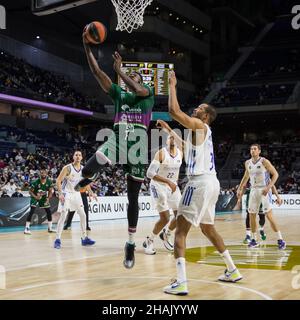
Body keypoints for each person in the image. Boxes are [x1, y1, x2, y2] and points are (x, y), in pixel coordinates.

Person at [74, 30, 154, 269]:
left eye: (136, 78)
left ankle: (130, 243)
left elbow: (140, 89)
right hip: (119, 137)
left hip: (138, 146)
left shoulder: (147, 96)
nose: (133, 80)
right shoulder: (119, 94)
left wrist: (120, 71)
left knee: (133, 198)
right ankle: (92, 175)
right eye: (131, 78)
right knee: (92, 163)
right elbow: (97, 73)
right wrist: (86, 47)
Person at [161, 71, 242, 296]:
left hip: (198, 184)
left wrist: (172, 85)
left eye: (199, 109)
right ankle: (232, 269)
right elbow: (188, 151)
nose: (195, 109)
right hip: (212, 183)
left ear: (205, 116)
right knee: (208, 228)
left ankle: (181, 282)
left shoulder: (199, 125)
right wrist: (169, 131)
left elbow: (173, 111)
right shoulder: (202, 133)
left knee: (180, 231)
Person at [236, 144, 286, 249]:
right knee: (251, 215)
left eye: (255, 149)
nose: (252, 150)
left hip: (264, 190)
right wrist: (240, 188)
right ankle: (254, 240)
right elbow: (246, 176)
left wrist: (268, 187)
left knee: (269, 216)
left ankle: (280, 239)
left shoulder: (264, 161)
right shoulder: (247, 163)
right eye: (251, 149)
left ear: (259, 151)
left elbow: (275, 174)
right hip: (253, 190)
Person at [143, 135, 182, 254]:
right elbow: (149, 173)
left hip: (172, 186)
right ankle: (149, 241)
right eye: (170, 137)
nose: (172, 139)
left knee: (181, 215)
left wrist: (174, 182)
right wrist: (168, 181)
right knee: (165, 218)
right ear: (166, 140)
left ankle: (167, 234)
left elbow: (175, 171)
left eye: (175, 137)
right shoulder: (161, 153)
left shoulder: (181, 153)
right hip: (158, 185)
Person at [54, 151, 96, 249]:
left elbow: (85, 182)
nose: (78, 156)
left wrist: (90, 192)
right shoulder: (67, 168)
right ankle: (57, 239)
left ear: (82, 158)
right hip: (66, 193)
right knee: (64, 214)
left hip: (76, 193)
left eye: (80, 155)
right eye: (76, 155)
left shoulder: (83, 169)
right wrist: (60, 193)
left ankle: (84, 238)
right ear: (73, 157)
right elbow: (58, 181)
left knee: (83, 214)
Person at [24, 168, 54, 235]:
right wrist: (35, 197)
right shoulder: (35, 182)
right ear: (40, 174)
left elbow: (50, 191)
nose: (43, 174)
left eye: (44, 173)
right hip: (35, 196)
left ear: (46, 174)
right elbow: (30, 191)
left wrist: (48, 198)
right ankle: (27, 228)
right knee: (32, 211)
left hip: (43, 197)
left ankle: (50, 228)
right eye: (42, 173)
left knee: (48, 211)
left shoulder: (49, 182)